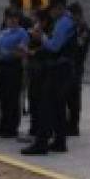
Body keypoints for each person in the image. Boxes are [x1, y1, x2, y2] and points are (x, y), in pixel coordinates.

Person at [22, 0, 75, 156]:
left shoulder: (63, 23)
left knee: (45, 105)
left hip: (59, 69)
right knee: (58, 106)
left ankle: (41, 143)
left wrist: (41, 36)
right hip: (63, 68)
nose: (50, 13)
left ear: (59, 8)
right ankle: (59, 141)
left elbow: (54, 46)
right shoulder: (65, 21)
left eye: (52, 9)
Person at [0, 0, 33, 132]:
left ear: (18, 19)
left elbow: (21, 51)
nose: (12, 20)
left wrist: (6, 52)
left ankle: (11, 127)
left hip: (13, 67)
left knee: (12, 98)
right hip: (1, 66)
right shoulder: (3, 33)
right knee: (3, 97)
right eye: (9, 18)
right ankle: (3, 124)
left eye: (14, 18)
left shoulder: (23, 33)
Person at [66, 2, 90, 137]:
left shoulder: (85, 30)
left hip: (76, 67)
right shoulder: (74, 29)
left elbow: (79, 47)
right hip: (69, 66)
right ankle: (68, 123)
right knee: (67, 97)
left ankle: (73, 125)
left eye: (71, 16)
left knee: (74, 97)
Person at [25, 8, 52, 138]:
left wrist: (32, 51)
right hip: (34, 71)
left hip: (43, 72)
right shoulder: (36, 34)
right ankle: (34, 128)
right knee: (33, 101)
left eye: (36, 19)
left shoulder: (48, 35)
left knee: (41, 103)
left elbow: (47, 51)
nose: (34, 22)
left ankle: (42, 131)